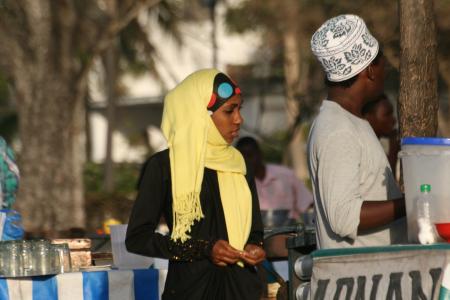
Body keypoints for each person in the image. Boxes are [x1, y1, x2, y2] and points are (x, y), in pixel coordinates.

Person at [126, 69, 265, 299]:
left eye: (240, 109)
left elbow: (255, 230)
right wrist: (203, 249)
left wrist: (254, 246)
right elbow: (137, 238)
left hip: (241, 290)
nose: (239, 119)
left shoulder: (240, 163)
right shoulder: (164, 166)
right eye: (229, 111)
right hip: (191, 291)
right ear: (200, 115)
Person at [307, 14, 406, 249]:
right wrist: (413, 204)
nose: (385, 72)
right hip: (359, 282)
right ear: (370, 70)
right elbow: (344, 217)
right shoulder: (338, 130)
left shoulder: (350, 121)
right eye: (383, 66)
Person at [236, 136, 313, 226]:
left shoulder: (285, 175)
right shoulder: (239, 183)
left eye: (250, 155)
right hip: (256, 236)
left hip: (289, 232)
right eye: (242, 158)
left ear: (260, 154)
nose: (246, 161)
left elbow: (308, 204)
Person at [362, 94, 400, 176]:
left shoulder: (377, 146)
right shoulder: (364, 150)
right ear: (368, 118)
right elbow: (385, 185)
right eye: (387, 114)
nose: (394, 120)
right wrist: (393, 152)